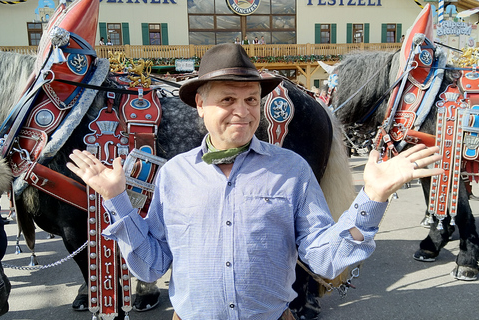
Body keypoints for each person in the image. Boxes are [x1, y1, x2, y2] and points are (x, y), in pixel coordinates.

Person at [67, 43, 443, 320]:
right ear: (200, 104)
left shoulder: (292, 169)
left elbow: (325, 259)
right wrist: (117, 197)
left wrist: (372, 198)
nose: (243, 112)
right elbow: (151, 267)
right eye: (228, 99)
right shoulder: (174, 174)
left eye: (251, 99)